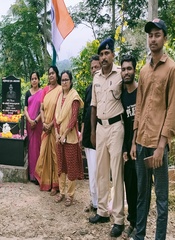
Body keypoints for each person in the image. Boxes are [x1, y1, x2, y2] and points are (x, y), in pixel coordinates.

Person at [130, 19, 175, 240]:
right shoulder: (143, 71)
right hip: (141, 143)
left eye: (157, 35)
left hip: (158, 146)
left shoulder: (172, 69)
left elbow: (171, 109)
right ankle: (139, 235)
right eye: (150, 35)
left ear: (164, 38)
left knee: (161, 199)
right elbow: (139, 106)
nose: (153, 39)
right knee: (142, 195)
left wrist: (161, 146)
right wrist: (134, 141)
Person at [89, 38, 125, 238]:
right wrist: (93, 131)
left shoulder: (120, 74)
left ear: (113, 55)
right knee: (101, 171)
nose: (104, 57)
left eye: (107, 54)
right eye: (101, 54)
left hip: (116, 127)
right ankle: (102, 211)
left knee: (116, 172)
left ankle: (119, 218)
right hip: (100, 129)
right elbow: (93, 106)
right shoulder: (96, 78)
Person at [54, 70, 84, 206]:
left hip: (70, 138)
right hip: (59, 137)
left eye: (66, 80)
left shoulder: (74, 97)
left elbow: (73, 118)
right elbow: (56, 117)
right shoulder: (60, 96)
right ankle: (61, 192)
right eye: (63, 80)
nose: (64, 82)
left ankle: (70, 195)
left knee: (71, 167)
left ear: (71, 81)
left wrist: (65, 134)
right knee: (61, 165)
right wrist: (56, 132)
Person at [34, 66, 62, 194]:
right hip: (45, 127)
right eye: (49, 73)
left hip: (55, 128)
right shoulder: (45, 90)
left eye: (53, 73)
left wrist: (51, 124)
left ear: (57, 75)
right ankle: (46, 181)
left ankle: (56, 185)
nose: (51, 76)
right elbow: (42, 108)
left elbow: (60, 111)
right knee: (44, 154)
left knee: (55, 155)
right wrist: (44, 122)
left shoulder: (61, 90)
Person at [120, 54, 138, 239]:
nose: (126, 72)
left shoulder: (141, 92)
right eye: (123, 69)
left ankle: (139, 226)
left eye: (129, 69)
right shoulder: (122, 95)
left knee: (142, 189)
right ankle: (132, 221)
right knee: (130, 186)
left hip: (142, 146)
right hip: (127, 150)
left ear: (135, 69)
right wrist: (125, 148)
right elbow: (124, 125)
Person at [80, 54, 101, 213]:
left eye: (97, 67)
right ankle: (94, 202)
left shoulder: (104, 88)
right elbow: (85, 114)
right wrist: (82, 134)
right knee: (91, 171)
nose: (94, 70)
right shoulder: (89, 89)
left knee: (98, 172)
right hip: (87, 135)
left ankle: (100, 204)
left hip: (100, 135)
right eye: (92, 67)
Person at [24, 71, 43, 183]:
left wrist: (36, 120)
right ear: (30, 81)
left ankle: (39, 175)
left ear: (39, 80)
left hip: (38, 123)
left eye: (36, 78)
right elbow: (25, 108)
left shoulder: (42, 92)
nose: (34, 80)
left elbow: (43, 109)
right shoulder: (27, 93)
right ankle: (31, 175)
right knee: (31, 148)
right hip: (29, 123)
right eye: (32, 79)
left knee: (38, 148)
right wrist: (30, 120)